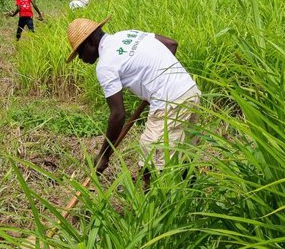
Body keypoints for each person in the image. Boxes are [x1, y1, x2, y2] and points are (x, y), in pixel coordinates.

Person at [66, 17, 201, 187]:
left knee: (151, 162)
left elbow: (118, 115)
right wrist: (155, 79)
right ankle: (195, 199)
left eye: (79, 52)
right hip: (190, 92)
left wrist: (104, 155)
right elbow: (171, 44)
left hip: (170, 102)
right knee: (182, 156)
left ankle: (154, 209)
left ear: (90, 41)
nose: (80, 58)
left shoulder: (106, 65)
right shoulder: (128, 35)